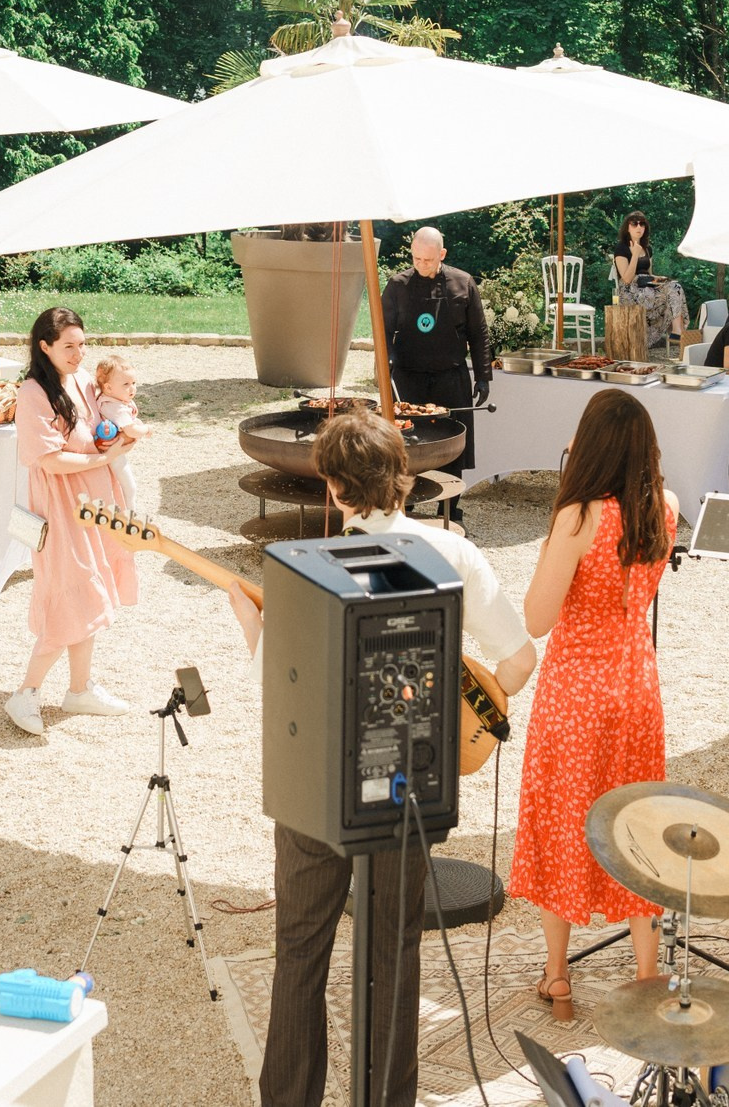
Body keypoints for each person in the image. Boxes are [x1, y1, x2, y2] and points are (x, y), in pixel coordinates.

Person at [231, 407, 537, 1107]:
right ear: (406, 475)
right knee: (394, 952)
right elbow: (518, 661)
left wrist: (254, 629)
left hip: (316, 792)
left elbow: (280, 693)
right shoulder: (455, 554)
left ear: (334, 488)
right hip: (409, 787)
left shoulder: (307, 565)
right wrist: (460, 722)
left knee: (301, 949)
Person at [510, 389, 680, 1017]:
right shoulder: (664, 508)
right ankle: (644, 974)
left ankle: (558, 975)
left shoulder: (578, 517)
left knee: (563, 820)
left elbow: (537, 616)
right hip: (637, 687)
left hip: (577, 691)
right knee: (636, 827)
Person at [4, 307, 142, 735]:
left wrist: (119, 436)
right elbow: (47, 458)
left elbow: (98, 426)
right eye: (69, 346)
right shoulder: (32, 392)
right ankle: (26, 693)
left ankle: (80, 688)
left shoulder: (83, 380)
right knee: (69, 591)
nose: (78, 354)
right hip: (61, 505)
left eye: (82, 345)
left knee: (92, 587)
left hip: (95, 499)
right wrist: (104, 456)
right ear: (44, 346)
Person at [379, 227, 487, 516]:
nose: (422, 265)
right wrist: (386, 364)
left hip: (450, 377)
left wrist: (484, 376)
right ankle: (407, 504)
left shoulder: (463, 283)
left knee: (453, 444)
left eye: (428, 260)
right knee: (408, 445)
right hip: (409, 378)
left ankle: (450, 507)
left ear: (442, 254)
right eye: (416, 259)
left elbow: (478, 333)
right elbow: (382, 331)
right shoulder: (397, 285)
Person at [608, 211, 687, 349]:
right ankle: (677, 333)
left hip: (648, 287)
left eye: (642, 224)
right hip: (630, 292)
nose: (639, 227)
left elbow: (648, 273)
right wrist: (635, 254)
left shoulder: (648, 249)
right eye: (634, 224)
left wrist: (657, 278)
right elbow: (626, 279)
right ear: (627, 227)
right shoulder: (621, 248)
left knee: (675, 287)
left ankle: (677, 331)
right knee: (670, 294)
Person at [91, 355, 148, 512]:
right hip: (112, 452)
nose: (132, 388)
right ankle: (130, 515)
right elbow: (130, 430)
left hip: (109, 448)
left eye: (134, 383)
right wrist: (146, 430)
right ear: (108, 388)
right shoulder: (115, 407)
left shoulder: (111, 399)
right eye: (126, 384)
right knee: (129, 486)